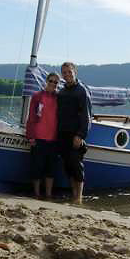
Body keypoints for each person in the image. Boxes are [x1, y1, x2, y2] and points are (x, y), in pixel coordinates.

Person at [57, 62, 92, 204]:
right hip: (62, 134)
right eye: (64, 72)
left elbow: (86, 116)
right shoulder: (62, 92)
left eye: (69, 72)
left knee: (76, 165)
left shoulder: (82, 91)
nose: (67, 75)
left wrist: (80, 135)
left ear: (75, 72)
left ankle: (79, 198)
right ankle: (74, 195)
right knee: (68, 166)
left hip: (75, 135)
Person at [26, 72, 60, 199]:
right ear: (46, 81)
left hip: (53, 139)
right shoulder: (37, 96)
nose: (53, 84)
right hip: (38, 138)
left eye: (56, 82)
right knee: (37, 167)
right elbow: (31, 117)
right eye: (51, 81)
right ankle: (36, 194)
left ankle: (48, 194)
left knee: (51, 169)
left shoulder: (59, 98)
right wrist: (30, 136)